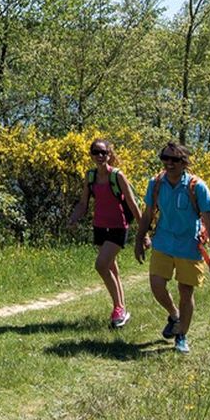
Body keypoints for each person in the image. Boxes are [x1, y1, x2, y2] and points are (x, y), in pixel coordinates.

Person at [133, 142, 210, 354]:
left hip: (189, 247)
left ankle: (181, 335)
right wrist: (139, 239)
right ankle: (175, 316)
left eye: (174, 159)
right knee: (156, 285)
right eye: (165, 158)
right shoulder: (155, 184)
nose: (169, 163)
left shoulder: (197, 186)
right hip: (163, 242)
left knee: (185, 291)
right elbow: (147, 214)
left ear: (184, 162)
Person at [69, 139, 142, 328]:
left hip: (118, 227)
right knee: (111, 268)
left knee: (101, 265)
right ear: (91, 155)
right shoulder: (90, 176)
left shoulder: (117, 176)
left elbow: (133, 205)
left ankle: (118, 309)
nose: (100, 156)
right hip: (99, 227)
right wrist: (74, 218)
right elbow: (83, 203)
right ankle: (122, 310)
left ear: (109, 155)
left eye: (103, 152)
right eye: (96, 152)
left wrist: (144, 233)